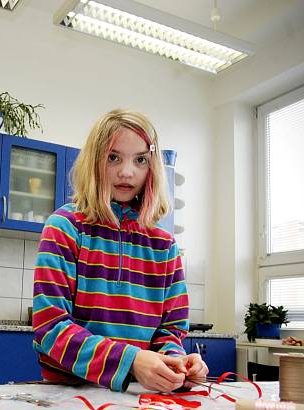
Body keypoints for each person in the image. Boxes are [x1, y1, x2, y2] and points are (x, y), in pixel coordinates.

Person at [32, 109, 206, 392]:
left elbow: (171, 330)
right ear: (94, 162)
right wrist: (132, 361)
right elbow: (51, 328)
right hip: (69, 394)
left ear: (153, 169)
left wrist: (174, 363)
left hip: (139, 397)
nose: (127, 172)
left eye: (140, 160)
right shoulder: (66, 227)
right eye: (114, 158)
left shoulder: (164, 244)